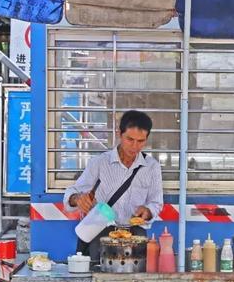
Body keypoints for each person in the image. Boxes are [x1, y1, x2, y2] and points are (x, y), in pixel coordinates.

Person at [64, 110, 163, 263]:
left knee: (136, 281)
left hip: (135, 236)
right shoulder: (99, 163)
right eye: (130, 139)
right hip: (101, 234)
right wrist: (77, 199)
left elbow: (156, 203)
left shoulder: (152, 167)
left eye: (141, 141)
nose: (135, 146)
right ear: (119, 133)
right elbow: (73, 192)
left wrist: (148, 211)